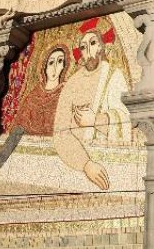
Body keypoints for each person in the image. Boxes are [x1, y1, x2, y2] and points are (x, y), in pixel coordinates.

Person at [0, 45, 70, 194]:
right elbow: (16, 134)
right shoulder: (32, 97)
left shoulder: (67, 94)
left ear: (65, 65)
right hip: (29, 159)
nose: (55, 67)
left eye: (60, 61)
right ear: (44, 66)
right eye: (51, 62)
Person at [53, 20, 132, 190]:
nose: (88, 50)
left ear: (102, 46)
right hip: (77, 164)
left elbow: (127, 121)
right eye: (83, 47)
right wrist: (86, 164)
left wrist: (95, 120)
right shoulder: (72, 83)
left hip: (111, 161)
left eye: (93, 43)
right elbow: (60, 131)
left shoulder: (114, 76)